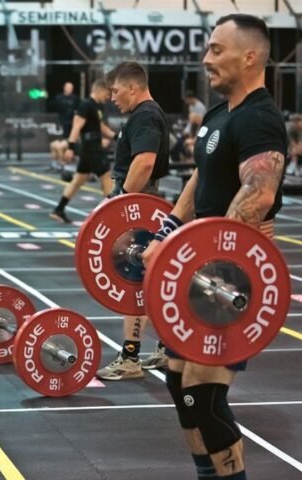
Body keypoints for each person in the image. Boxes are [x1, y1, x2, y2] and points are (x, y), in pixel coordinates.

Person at [142, 15, 287, 480]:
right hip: (201, 267)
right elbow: (201, 176)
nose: (206, 59)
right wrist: (167, 233)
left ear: (249, 57)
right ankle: (208, 472)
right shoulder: (218, 115)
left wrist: (208, 250)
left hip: (232, 274)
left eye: (217, 50)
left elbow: (259, 192)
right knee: (178, 380)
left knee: (204, 393)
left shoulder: (260, 117)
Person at [94, 61, 171, 381]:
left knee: (134, 279)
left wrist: (120, 201)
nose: (112, 97)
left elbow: (145, 162)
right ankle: (167, 348)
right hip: (141, 201)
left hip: (139, 204)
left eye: (115, 90)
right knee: (148, 278)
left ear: (132, 88)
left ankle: (130, 358)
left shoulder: (144, 115)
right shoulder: (145, 115)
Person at [50, 79, 116, 223]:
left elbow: (101, 127)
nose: (108, 97)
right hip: (91, 148)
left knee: (79, 179)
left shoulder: (96, 106)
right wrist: (71, 148)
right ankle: (112, 213)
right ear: (100, 89)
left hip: (93, 146)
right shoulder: (86, 105)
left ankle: (59, 209)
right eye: (107, 93)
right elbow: (76, 127)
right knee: (106, 176)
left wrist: (116, 136)